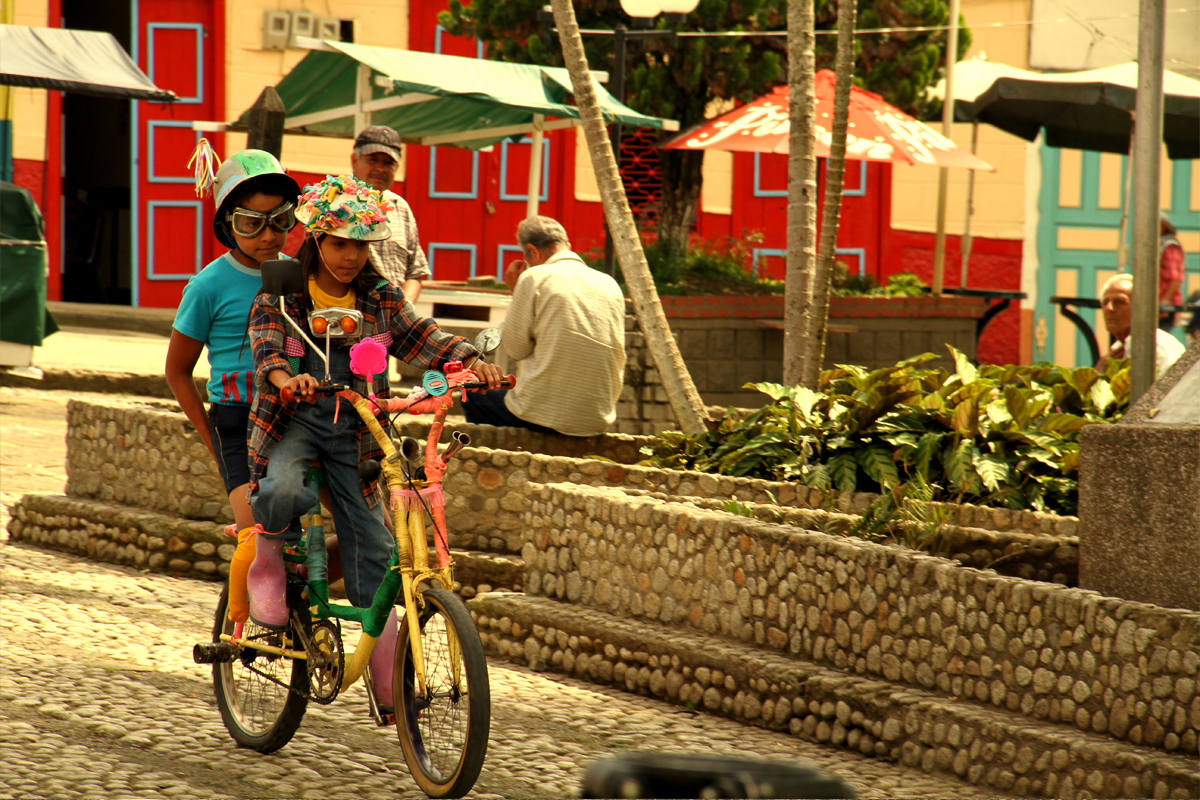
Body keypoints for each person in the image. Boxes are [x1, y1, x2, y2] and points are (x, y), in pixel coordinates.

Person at [244, 174, 504, 713]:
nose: (351, 257)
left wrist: (471, 361)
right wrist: (287, 380)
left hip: (360, 431)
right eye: (341, 244)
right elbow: (267, 349)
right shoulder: (282, 293)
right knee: (283, 488)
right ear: (317, 240)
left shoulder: (381, 297)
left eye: (361, 246)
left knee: (376, 547)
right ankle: (267, 564)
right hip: (294, 422)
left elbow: (423, 336)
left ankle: (388, 683)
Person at [165, 145, 301, 624]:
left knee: (361, 529)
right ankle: (238, 626)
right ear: (227, 225)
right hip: (237, 422)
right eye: (251, 223)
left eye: (280, 221)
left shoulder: (301, 275)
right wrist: (211, 438)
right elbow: (177, 371)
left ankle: (299, 599)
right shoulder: (207, 286)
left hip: (296, 416)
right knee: (256, 533)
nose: (268, 235)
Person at [463, 215, 626, 437]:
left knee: (472, 394)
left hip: (545, 416)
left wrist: (517, 290)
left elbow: (516, 350)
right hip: (597, 418)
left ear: (533, 250)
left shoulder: (534, 277)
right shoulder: (610, 283)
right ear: (566, 245)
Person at [349, 125, 430, 302]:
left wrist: (404, 308)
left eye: (388, 163)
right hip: (348, 313)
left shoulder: (400, 207)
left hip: (393, 315)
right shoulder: (333, 201)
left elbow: (415, 271)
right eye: (373, 160)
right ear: (354, 160)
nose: (381, 169)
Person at [1098, 273, 1186, 378]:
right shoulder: (1118, 348)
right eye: (1105, 302)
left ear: (1141, 307)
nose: (1109, 308)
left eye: (1119, 302)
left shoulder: (1153, 344)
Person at [1158, 212, 1185, 332]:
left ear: (1163, 227)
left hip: (1164, 307)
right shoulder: (1156, 245)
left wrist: (1165, 302)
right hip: (1152, 304)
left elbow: (1175, 278)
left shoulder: (1170, 247)